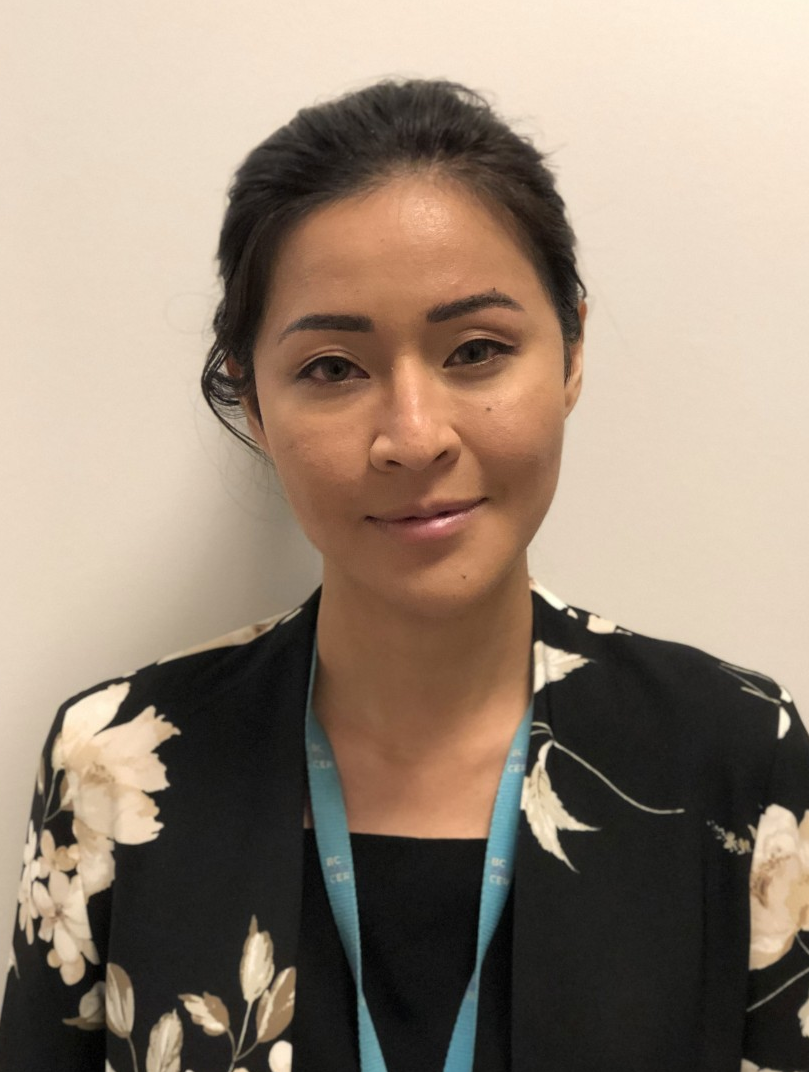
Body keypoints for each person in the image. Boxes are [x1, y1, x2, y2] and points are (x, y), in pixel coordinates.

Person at [0, 76, 806, 1072]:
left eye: (476, 349)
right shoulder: (114, 759)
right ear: (254, 402)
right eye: (333, 368)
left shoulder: (734, 753)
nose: (414, 437)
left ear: (570, 352)